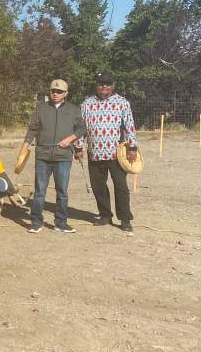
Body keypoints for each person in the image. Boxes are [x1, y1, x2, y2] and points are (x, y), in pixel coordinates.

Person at [21, 78, 86, 234]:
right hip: (43, 156)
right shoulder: (41, 108)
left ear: (66, 94)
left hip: (63, 157)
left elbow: (82, 129)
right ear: (49, 92)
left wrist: (70, 139)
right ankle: (36, 222)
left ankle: (61, 222)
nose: (56, 94)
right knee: (39, 191)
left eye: (59, 91)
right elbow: (33, 129)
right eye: (53, 91)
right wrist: (25, 145)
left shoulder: (74, 109)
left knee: (62, 191)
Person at [79, 73, 139, 233]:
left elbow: (129, 125)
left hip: (116, 154)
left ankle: (125, 219)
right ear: (96, 85)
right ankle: (105, 215)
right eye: (101, 84)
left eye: (107, 84)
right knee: (98, 186)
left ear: (113, 85)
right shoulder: (87, 103)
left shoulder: (122, 102)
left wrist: (133, 147)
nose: (104, 87)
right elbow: (81, 128)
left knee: (120, 187)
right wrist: (78, 147)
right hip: (94, 152)